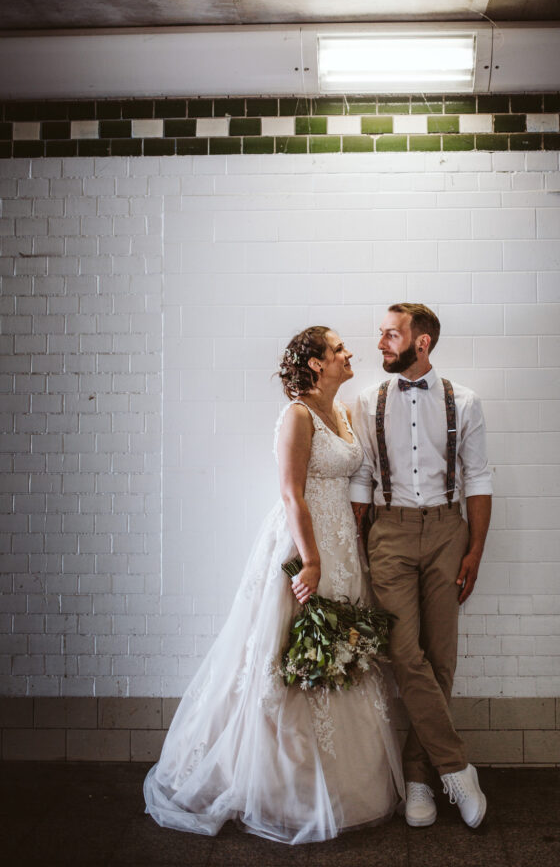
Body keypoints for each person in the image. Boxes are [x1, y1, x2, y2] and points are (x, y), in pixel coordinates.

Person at [144, 325, 404, 844]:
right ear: (314, 364)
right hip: (302, 546)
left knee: (339, 648)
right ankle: (279, 789)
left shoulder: (345, 412)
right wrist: (310, 561)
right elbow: (291, 493)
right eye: (337, 349)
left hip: (343, 548)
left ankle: (343, 787)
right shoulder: (297, 414)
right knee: (286, 655)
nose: (348, 353)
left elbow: (353, 477)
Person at [350, 303, 492, 830]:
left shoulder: (467, 401)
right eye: (382, 335)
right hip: (388, 532)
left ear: (422, 342)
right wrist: (356, 541)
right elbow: (362, 478)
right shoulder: (368, 401)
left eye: (391, 335)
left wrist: (475, 549)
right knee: (403, 652)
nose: (382, 344)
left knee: (441, 657)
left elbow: (477, 477)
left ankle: (417, 779)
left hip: (447, 532)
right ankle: (456, 769)